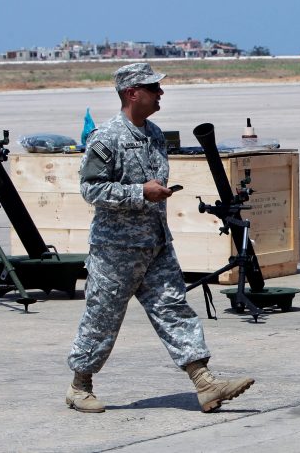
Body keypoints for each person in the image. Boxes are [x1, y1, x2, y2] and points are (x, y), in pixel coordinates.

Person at [65, 62, 254, 413]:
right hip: (115, 250)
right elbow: (91, 189)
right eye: (153, 88)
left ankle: (204, 382)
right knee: (102, 318)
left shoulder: (154, 134)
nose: (160, 93)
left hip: (155, 246)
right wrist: (140, 193)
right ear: (131, 93)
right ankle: (80, 386)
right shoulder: (106, 138)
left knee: (174, 309)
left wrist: (155, 196)